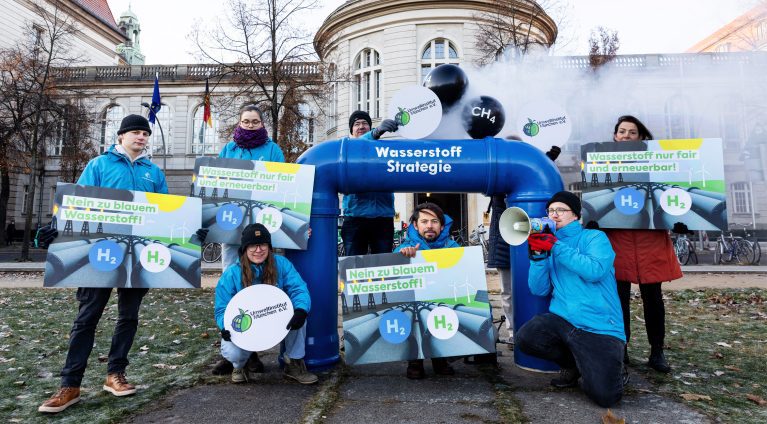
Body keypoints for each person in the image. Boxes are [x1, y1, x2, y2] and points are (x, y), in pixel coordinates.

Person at [39, 114, 168, 413]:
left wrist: (189, 231)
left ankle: (115, 375)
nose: (141, 138)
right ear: (121, 136)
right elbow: (79, 203)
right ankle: (70, 385)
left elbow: (165, 213)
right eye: (136, 132)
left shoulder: (153, 172)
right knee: (86, 319)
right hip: (99, 254)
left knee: (128, 317)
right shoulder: (99, 165)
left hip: (137, 257)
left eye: (145, 134)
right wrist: (57, 225)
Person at [515, 191, 625, 408]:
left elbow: (594, 270)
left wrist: (555, 246)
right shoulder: (550, 244)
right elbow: (538, 289)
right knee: (526, 337)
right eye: (551, 210)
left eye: (561, 210)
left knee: (605, 398)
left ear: (575, 215)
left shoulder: (593, 238)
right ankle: (573, 365)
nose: (554, 215)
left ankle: (613, 370)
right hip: (564, 321)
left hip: (600, 326)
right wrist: (538, 257)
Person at [207, 104, 287, 376]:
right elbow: (216, 189)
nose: (250, 125)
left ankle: (254, 351)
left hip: (262, 231)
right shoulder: (229, 150)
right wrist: (206, 221)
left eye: (255, 121)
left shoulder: (273, 150)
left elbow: (284, 186)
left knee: (262, 287)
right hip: (231, 232)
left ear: (262, 123)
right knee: (232, 287)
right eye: (246, 121)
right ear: (239, 123)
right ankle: (232, 353)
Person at [605, 115, 682, 373]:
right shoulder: (601, 163)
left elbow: (670, 193)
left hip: (650, 239)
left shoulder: (658, 163)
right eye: (622, 131)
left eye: (632, 132)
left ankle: (657, 351)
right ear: (615, 136)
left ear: (641, 137)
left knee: (653, 299)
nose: (626, 136)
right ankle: (621, 348)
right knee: (619, 299)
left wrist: (681, 220)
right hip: (619, 241)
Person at [215, 223, 318, 385]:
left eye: (262, 244)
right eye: (253, 246)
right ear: (245, 249)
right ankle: (240, 365)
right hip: (247, 322)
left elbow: (299, 289)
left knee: (299, 317)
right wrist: (224, 326)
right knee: (232, 352)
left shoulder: (281, 264)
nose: (258, 250)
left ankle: (294, 363)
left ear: (269, 247)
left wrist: (301, 309)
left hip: (274, 318)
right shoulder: (232, 273)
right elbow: (221, 308)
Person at [487, 139, 562, 345]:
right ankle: (513, 334)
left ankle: (534, 332)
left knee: (534, 288)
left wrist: (546, 162)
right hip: (505, 241)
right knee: (508, 292)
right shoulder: (498, 177)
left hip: (531, 240)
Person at [394, 202, 460, 379]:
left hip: (442, 302)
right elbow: (393, 276)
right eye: (424, 221)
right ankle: (415, 359)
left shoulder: (454, 248)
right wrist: (403, 257)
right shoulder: (405, 248)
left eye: (434, 221)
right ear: (416, 225)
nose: (429, 226)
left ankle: (441, 357)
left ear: (442, 225)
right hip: (415, 302)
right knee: (411, 312)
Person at [341, 110, 399, 255]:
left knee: (383, 266)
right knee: (352, 265)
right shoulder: (347, 148)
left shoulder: (383, 150)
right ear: (351, 130)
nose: (361, 126)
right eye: (356, 124)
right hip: (355, 217)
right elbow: (357, 146)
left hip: (383, 217)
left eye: (365, 123)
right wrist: (376, 132)